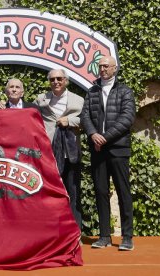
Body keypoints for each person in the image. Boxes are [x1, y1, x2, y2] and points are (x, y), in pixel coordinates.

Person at [80, 55, 136, 251]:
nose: (102, 69)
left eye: (106, 66)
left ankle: (127, 237)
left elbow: (127, 118)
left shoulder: (124, 91)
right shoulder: (92, 91)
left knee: (123, 191)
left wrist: (105, 137)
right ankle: (104, 236)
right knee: (101, 192)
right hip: (97, 150)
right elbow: (85, 115)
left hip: (118, 149)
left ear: (114, 69)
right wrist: (93, 134)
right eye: (100, 66)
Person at [34, 69, 84, 229]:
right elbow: (31, 118)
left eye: (59, 79)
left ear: (66, 80)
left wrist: (69, 120)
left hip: (71, 152)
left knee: (73, 192)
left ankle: (75, 231)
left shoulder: (78, 100)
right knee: (50, 193)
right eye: (52, 79)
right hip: (49, 154)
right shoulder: (41, 100)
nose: (56, 82)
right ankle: (53, 231)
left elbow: (86, 120)